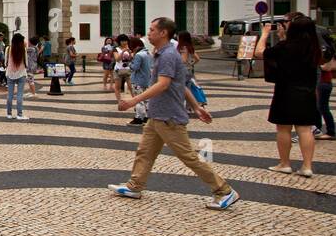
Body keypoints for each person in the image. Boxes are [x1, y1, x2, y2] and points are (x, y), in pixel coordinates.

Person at [109, 16, 239, 209]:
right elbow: (181, 84)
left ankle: (224, 191)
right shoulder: (161, 53)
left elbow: (164, 84)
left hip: (169, 116)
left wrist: (133, 101)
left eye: (152, 29)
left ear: (163, 33)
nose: (149, 33)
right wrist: (196, 107)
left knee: (189, 157)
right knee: (144, 152)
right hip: (157, 115)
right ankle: (135, 186)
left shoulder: (169, 55)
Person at [264, 13, 321, 178]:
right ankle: (307, 166)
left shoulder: (285, 46)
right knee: (305, 129)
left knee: (283, 128)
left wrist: (265, 34)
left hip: (286, 91)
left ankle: (285, 164)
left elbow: (261, 52)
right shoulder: (313, 48)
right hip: (307, 93)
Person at [127, 36, 153, 126]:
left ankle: (138, 118)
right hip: (148, 79)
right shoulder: (149, 53)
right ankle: (147, 117)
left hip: (138, 80)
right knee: (147, 100)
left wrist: (130, 63)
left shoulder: (138, 55)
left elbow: (135, 67)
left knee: (138, 100)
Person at [4, 33, 29, 120]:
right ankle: (19, 114)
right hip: (21, 73)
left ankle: (9, 114)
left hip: (10, 73)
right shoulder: (23, 49)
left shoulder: (8, 48)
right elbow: (26, 62)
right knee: (19, 95)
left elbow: (5, 61)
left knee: (10, 95)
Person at [315, 49, 336, 141]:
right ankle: (317, 129)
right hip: (321, 82)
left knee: (323, 107)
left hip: (324, 83)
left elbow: (327, 67)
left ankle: (331, 132)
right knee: (318, 108)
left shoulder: (327, 53)